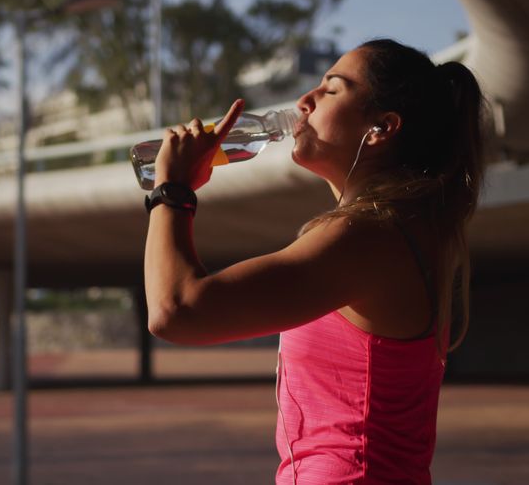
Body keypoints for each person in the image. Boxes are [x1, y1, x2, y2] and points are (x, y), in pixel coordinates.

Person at [143, 38, 485, 484]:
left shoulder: (366, 237)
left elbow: (177, 311)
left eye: (331, 89)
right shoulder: (398, 231)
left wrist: (172, 191)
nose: (304, 101)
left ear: (381, 128)